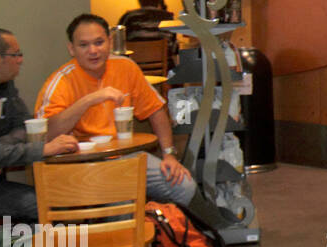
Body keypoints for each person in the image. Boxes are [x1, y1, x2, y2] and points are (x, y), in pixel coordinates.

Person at [34, 14, 233, 226]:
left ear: (110, 42)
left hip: (127, 158)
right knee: (122, 202)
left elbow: (156, 110)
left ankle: (204, 242)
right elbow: (46, 134)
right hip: (83, 166)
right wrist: (89, 100)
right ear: (71, 49)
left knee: (183, 184)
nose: (93, 51)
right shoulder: (61, 81)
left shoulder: (125, 67)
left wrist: (169, 154)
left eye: (99, 42)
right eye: (84, 45)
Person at [0, 28, 79, 219]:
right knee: (45, 208)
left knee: (60, 200)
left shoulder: (5, 86)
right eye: (15, 55)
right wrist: (44, 150)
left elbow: (24, 127)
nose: (21, 60)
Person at [117, 0, 178, 65]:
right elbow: (174, 50)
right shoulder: (168, 19)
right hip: (163, 71)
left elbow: (118, 48)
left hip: (135, 69)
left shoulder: (128, 18)